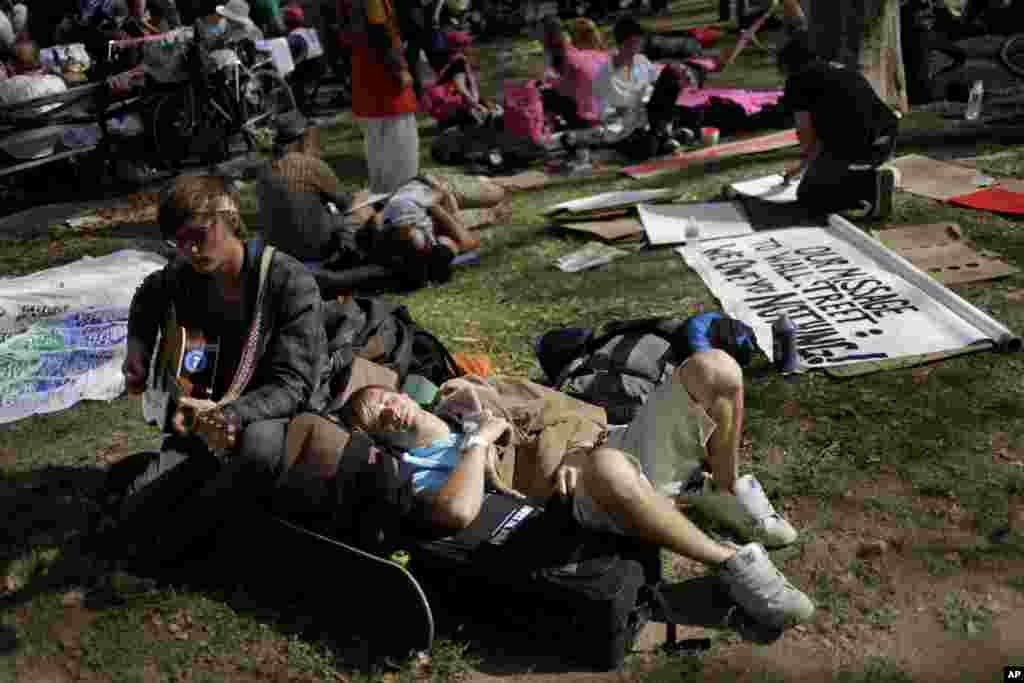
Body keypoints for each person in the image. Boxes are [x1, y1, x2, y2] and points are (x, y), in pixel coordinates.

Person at [339, 350, 814, 631]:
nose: (388, 411)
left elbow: (575, 409)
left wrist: (576, 449)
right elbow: (458, 512)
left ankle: (726, 488)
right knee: (608, 470)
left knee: (716, 369)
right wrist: (479, 445)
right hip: (574, 501)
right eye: (376, 418)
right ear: (381, 438)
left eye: (384, 399)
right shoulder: (418, 469)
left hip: (605, 446)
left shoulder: (469, 394)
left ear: (401, 391)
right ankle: (732, 563)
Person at [112, 173, 328, 565]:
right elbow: (148, 295)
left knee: (259, 449)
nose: (190, 249)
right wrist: (137, 350)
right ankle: (197, 523)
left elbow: (293, 385)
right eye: (178, 241)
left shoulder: (289, 281)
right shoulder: (187, 275)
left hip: (275, 413)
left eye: (197, 234)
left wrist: (229, 414)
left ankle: (190, 544)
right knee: (134, 515)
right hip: (209, 412)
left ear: (228, 218)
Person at [777, 29, 900, 220]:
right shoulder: (841, 69)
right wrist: (803, 167)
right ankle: (874, 180)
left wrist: (811, 171)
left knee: (809, 194)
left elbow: (807, 136)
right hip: (886, 139)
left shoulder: (798, 80)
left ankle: (869, 185)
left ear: (787, 66)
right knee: (827, 169)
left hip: (857, 143)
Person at [591, 17, 695, 159]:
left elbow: (658, 88)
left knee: (672, 73)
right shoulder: (606, 73)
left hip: (649, 116)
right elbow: (604, 113)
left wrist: (679, 80)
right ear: (626, 42)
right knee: (647, 147)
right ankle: (665, 137)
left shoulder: (641, 61)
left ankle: (664, 134)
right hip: (627, 126)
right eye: (637, 42)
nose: (640, 46)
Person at [257, 114, 353, 262]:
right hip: (316, 252)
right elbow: (345, 203)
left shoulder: (264, 171)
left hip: (277, 255)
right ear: (303, 139)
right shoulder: (311, 165)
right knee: (356, 215)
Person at [349, 0, 419, 194]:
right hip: (384, 79)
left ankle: (384, 192)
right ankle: (401, 194)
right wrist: (400, 69)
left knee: (378, 142)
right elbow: (380, 33)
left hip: (370, 74)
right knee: (397, 142)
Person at [539, 15, 607, 131]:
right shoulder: (601, 55)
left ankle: (548, 125)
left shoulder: (570, 55)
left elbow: (569, 88)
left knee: (544, 94)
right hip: (598, 110)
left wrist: (551, 82)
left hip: (587, 116)